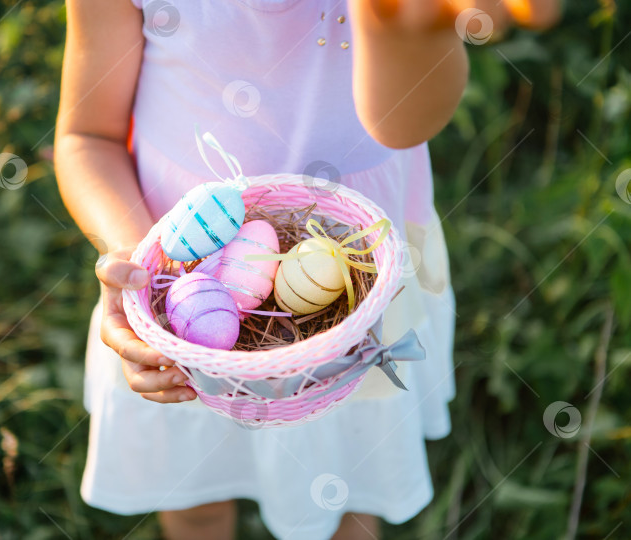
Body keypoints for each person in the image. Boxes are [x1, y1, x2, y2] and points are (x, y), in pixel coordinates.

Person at [54, 1, 559, 538]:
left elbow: (403, 121)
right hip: (180, 280)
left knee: (343, 494)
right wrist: (141, 266)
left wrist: (406, 25)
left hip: (354, 282)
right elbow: (89, 136)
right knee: (193, 494)